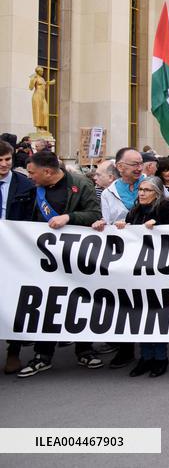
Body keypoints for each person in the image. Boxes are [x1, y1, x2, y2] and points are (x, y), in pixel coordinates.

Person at [16, 151, 103, 377]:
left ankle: (85, 350)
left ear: (47, 171)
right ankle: (42, 354)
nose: (30, 177)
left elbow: (94, 213)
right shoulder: (33, 189)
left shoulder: (80, 184)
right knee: (46, 304)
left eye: (33, 173)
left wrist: (69, 218)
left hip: (76, 257)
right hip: (44, 258)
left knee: (81, 302)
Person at [92, 147, 168, 370]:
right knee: (130, 305)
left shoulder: (154, 184)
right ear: (120, 166)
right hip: (126, 260)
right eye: (134, 164)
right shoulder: (109, 193)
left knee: (154, 307)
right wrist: (102, 226)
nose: (139, 167)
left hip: (156, 261)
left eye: (140, 163)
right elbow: (107, 223)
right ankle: (133, 353)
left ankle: (159, 357)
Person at [117, 176, 169, 378]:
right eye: (140, 189)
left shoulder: (165, 208)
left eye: (147, 190)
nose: (142, 193)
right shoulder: (134, 211)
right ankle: (145, 357)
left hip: (160, 271)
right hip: (138, 272)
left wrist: (158, 225)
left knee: (157, 314)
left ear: (158, 193)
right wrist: (119, 227)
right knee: (141, 314)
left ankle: (160, 358)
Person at [1, 140, 36, 373]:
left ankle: (13, 351)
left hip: (14, 249)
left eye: (7, 160)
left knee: (14, 298)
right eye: (0, 161)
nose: (4, 164)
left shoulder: (24, 185)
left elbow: (32, 217)